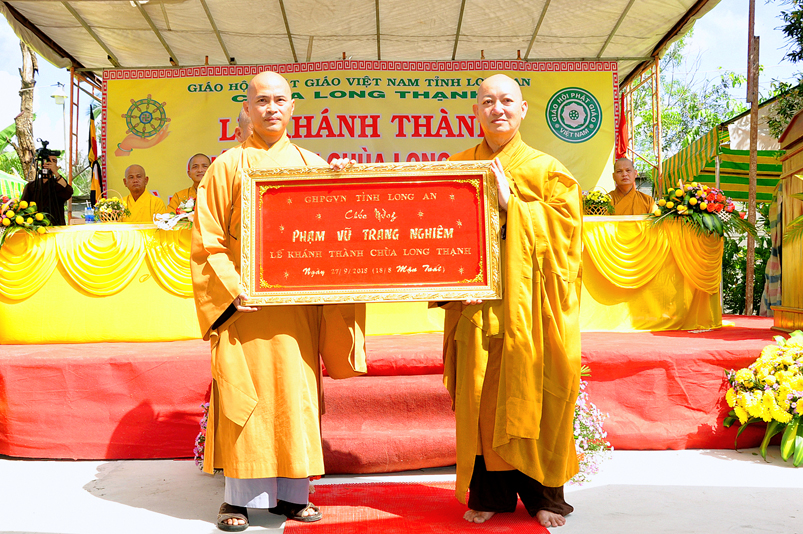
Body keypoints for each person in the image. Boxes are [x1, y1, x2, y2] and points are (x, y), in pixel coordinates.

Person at [191, 71, 365, 532]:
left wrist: (343, 180)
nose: (271, 108)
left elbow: (341, 227)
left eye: (280, 100)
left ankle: (292, 496)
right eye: (262, 100)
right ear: (247, 109)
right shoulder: (226, 166)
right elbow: (207, 241)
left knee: (293, 396)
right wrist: (232, 288)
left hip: (296, 311)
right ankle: (237, 500)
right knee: (245, 398)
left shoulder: (312, 163)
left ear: (293, 107)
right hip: (246, 309)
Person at [438, 74, 582, 528]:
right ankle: (491, 495)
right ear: (476, 111)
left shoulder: (548, 170)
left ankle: (545, 497)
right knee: (481, 399)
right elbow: (433, 231)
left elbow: (569, 239)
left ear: (522, 109)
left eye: (506, 101)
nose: (497, 109)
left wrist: (511, 205)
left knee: (536, 395)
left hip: (532, 312)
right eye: (487, 101)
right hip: (477, 309)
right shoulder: (456, 165)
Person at [20, 154, 73, 226]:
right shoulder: (31, 186)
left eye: (53, 161)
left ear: (56, 166)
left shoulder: (58, 184)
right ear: (40, 165)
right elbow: (23, 207)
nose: (49, 163)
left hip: (56, 227)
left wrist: (56, 173)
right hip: (36, 227)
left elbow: (68, 192)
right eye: (47, 160)